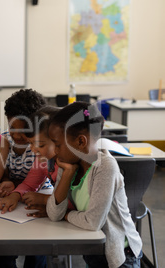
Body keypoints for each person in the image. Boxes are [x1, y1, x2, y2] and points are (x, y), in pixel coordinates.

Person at [46, 102, 143, 268]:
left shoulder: (105, 166)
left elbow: (92, 222)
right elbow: (54, 214)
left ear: (81, 142)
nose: (55, 151)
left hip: (120, 255)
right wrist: (68, 174)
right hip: (94, 249)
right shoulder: (69, 164)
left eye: (58, 145)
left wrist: (67, 214)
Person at [0, 106, 60, 268]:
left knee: (37, 249)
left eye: (38, 144)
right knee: (4, 249)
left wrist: (46, 200)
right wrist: (15, 195)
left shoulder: (65, 163)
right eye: (12, 128)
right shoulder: (43, 156)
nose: (33, 149)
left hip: (54, 206)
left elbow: (70, 199)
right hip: (33, 202)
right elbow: (30, 183)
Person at [0, 89, 46, 198]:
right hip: (8, 191)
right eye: (12, 127)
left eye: (24, 131)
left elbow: (36, 182)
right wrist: (6, 181)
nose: (16, 135)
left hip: (38, 192)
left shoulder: (41, 148)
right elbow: (1, 173)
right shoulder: (3, 140)